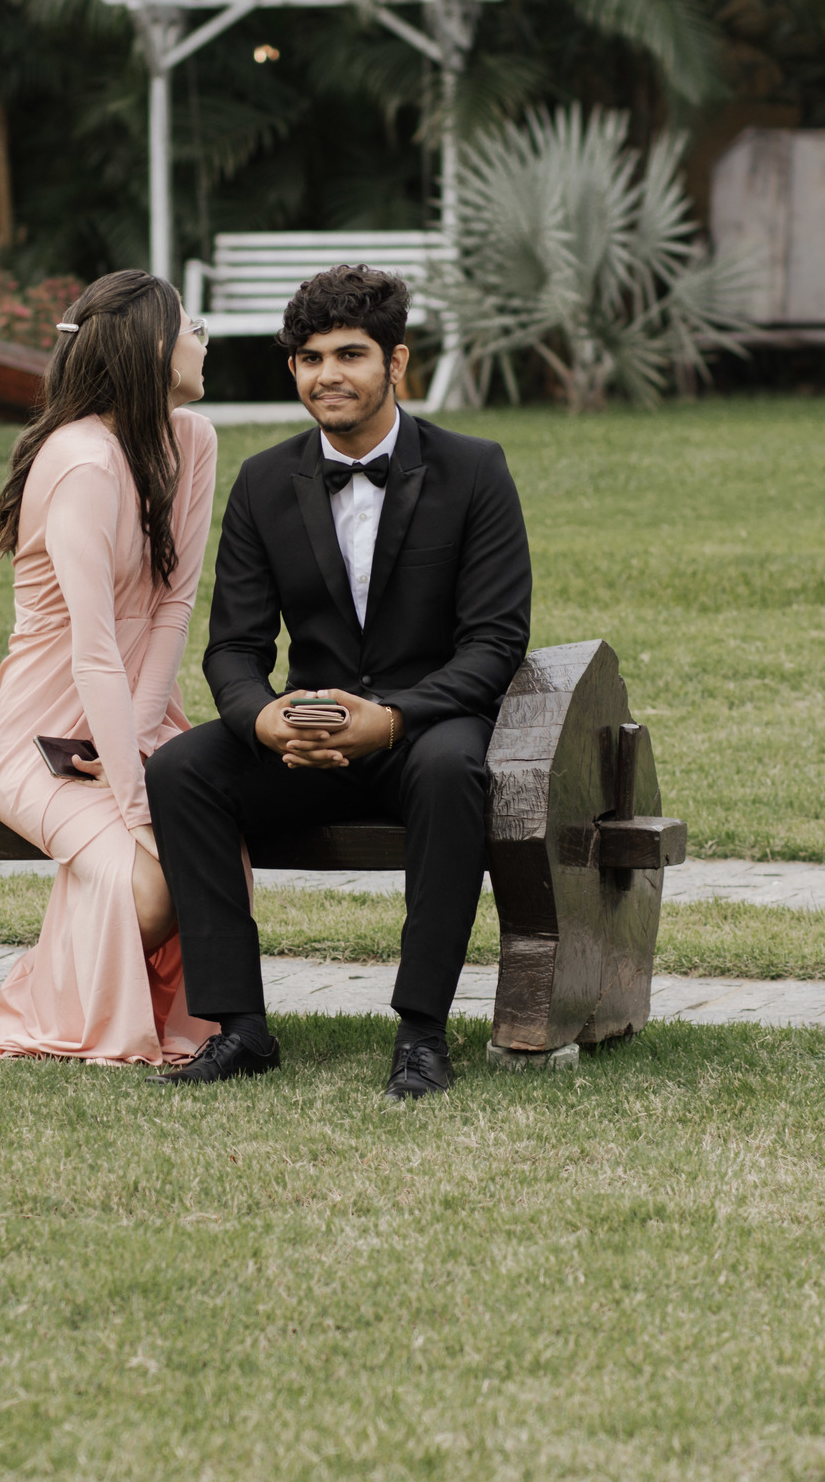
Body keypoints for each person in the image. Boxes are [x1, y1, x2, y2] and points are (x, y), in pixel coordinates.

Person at [146, 264, 532, 1100]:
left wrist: (390, 719)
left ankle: (421, 1035)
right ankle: (239, 1028)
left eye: (350, 355)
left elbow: (495, 642)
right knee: (181, 769)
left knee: (453, 770)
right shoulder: (263, 481)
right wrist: (264, 721)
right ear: (293, 368)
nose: (329, 375)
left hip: (427, 728)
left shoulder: (474, 470)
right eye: (310, 358)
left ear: (396, 362)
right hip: (307, 736)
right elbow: (233, 648)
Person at [0, 269, 218, 1066]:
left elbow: (174, 607)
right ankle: (42, 996)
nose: (203, 340)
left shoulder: (192, 440)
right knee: (153, 886)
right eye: (191, 326)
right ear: (151, 350)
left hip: (140, 720)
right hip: (45, 738)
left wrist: (137, 745)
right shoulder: (82, 463)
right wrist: (135, 808)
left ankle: (142, 1002)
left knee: (209, 858)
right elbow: (93, 647)